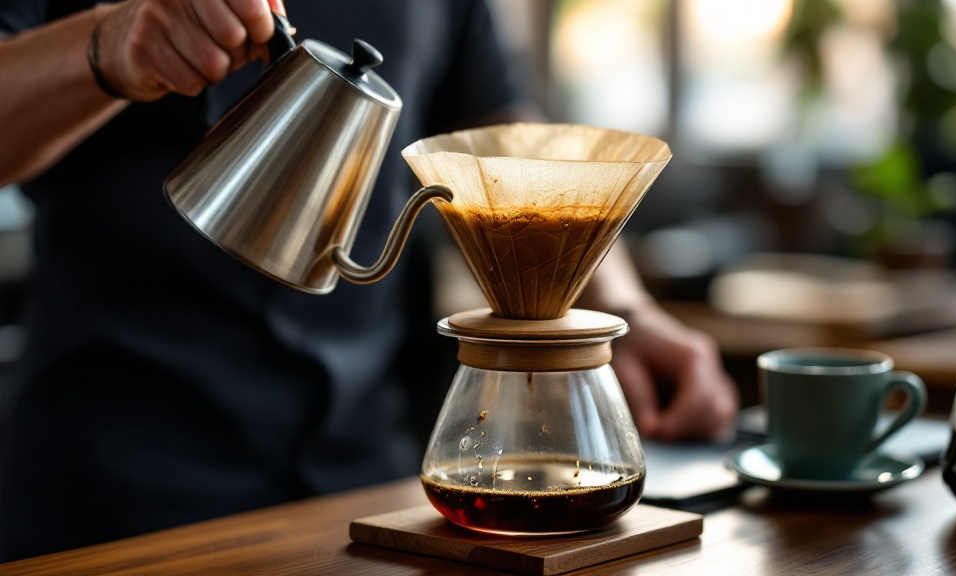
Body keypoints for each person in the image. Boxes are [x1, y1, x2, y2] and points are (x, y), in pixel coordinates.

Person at [0, 0, 736, 561]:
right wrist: (105, 46)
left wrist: (627, 310)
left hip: (363, 484)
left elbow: (505, 141)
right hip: (114, 483)